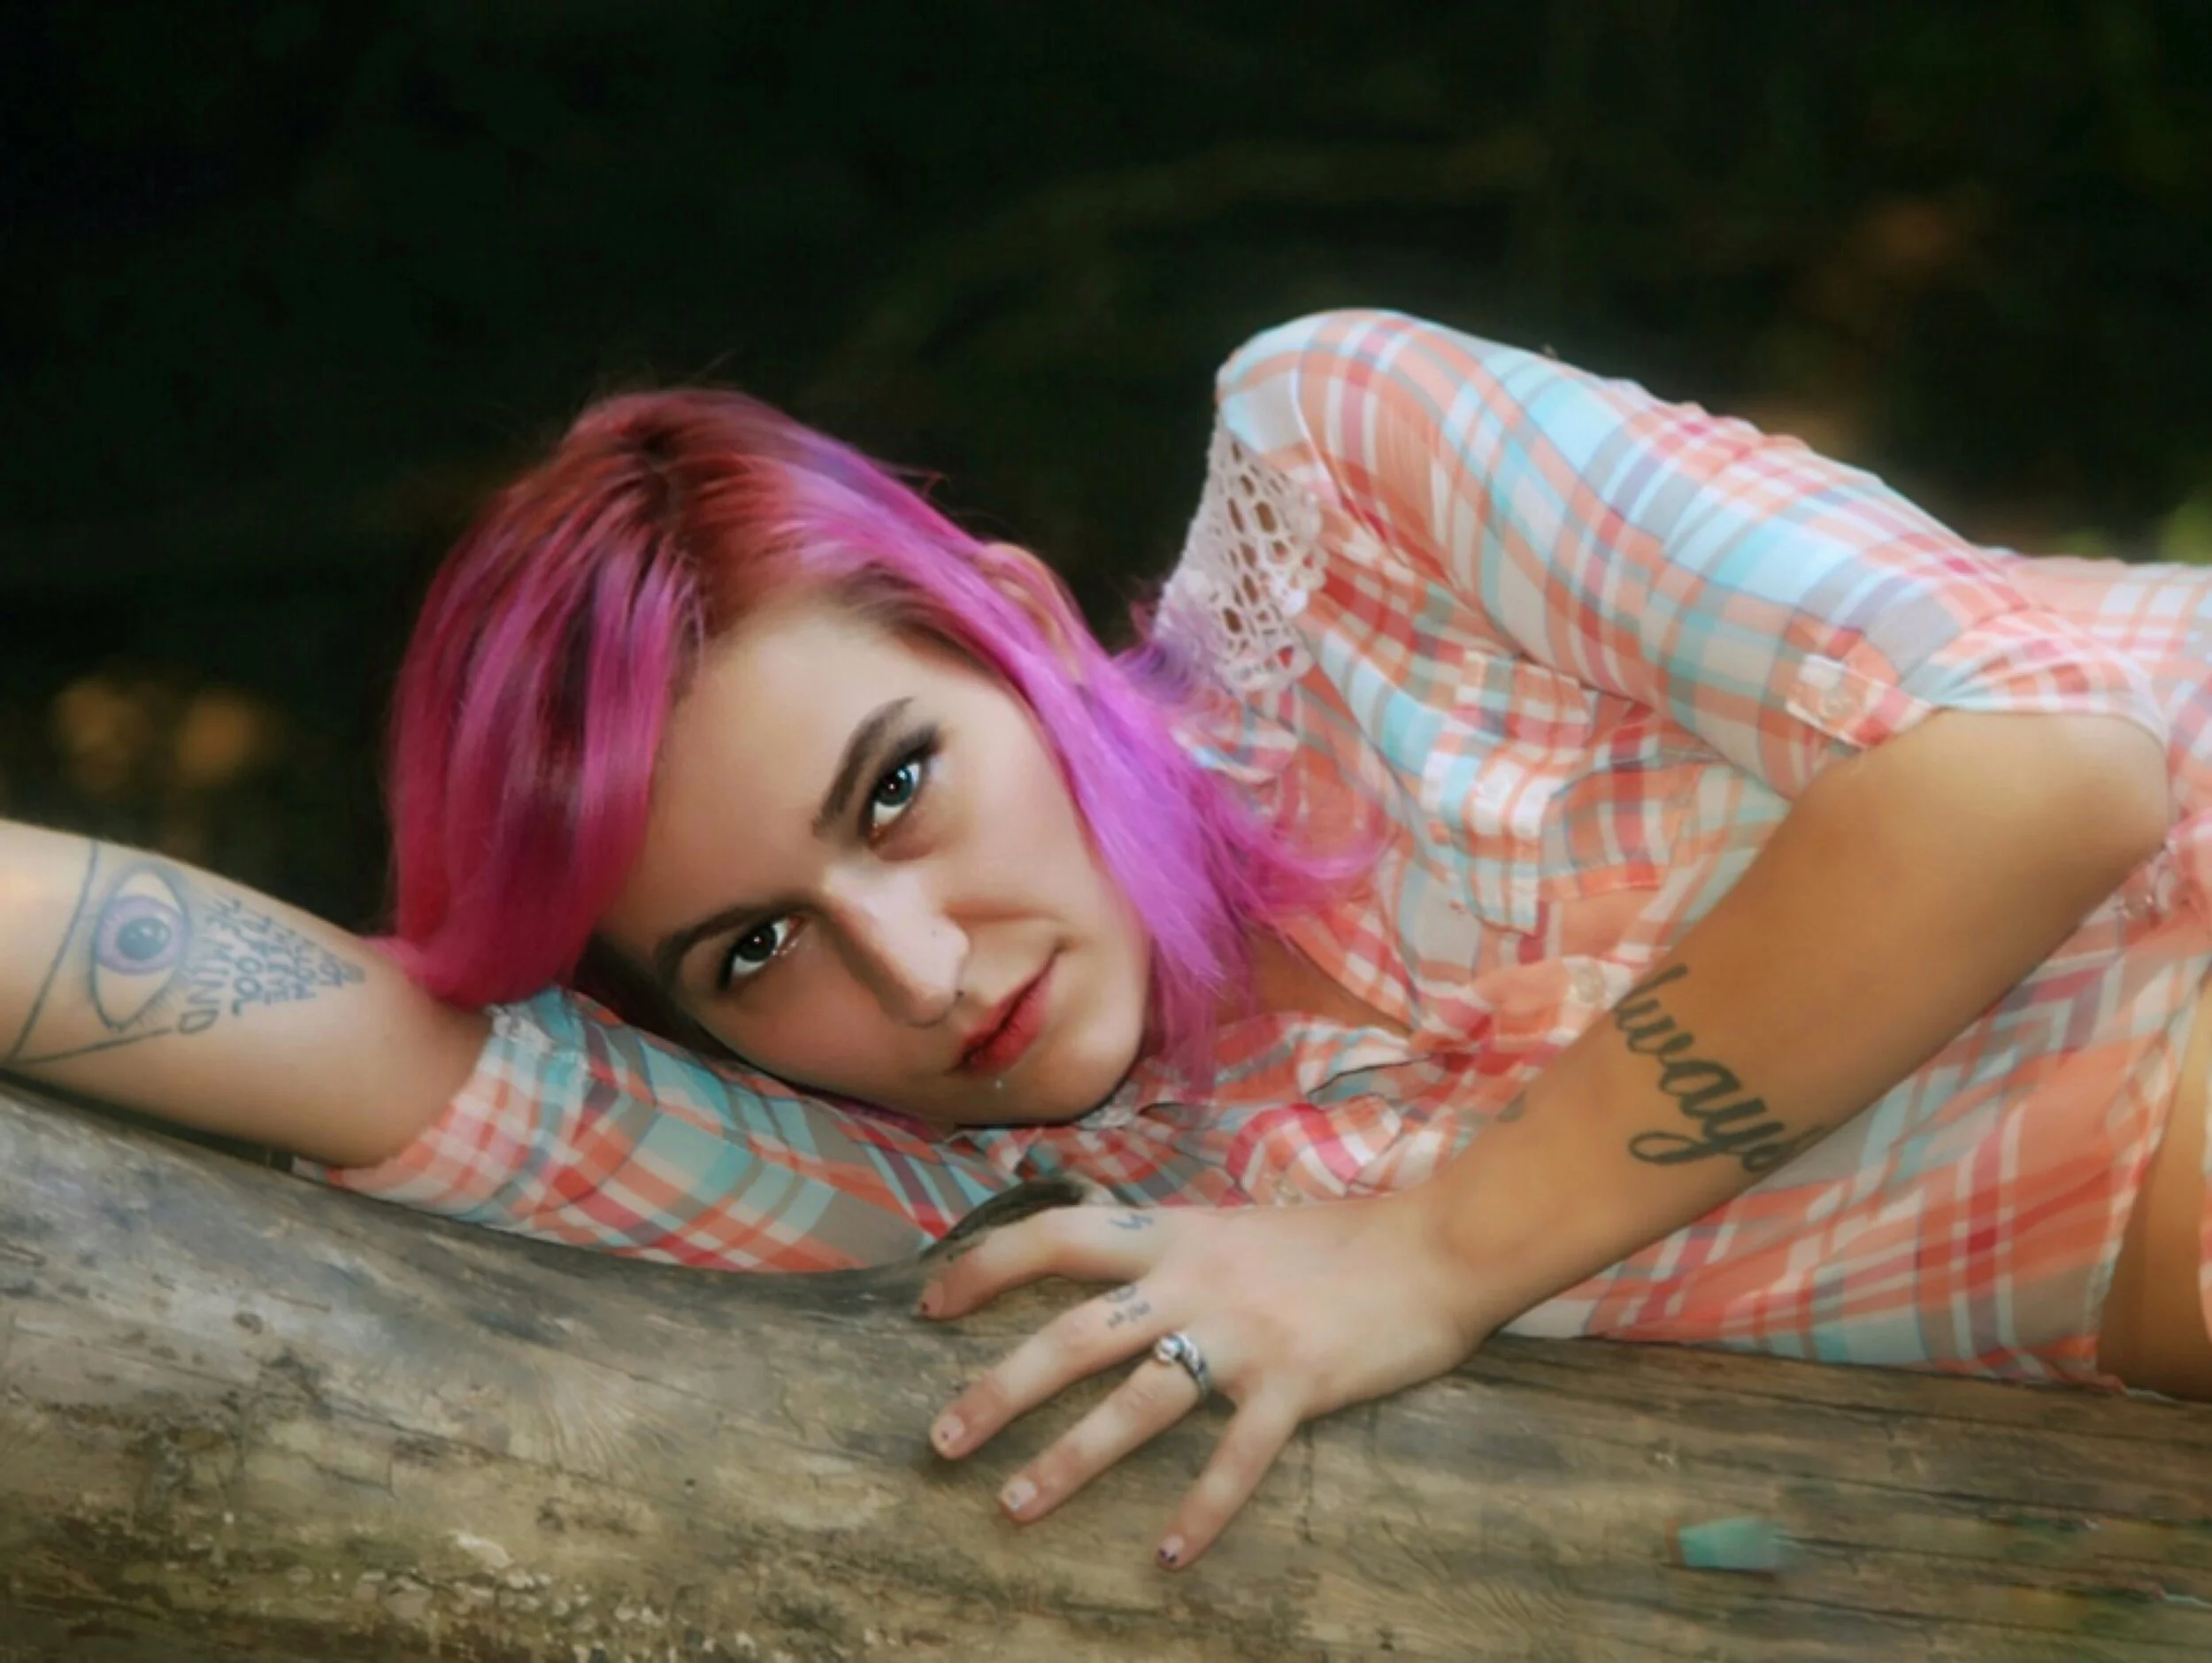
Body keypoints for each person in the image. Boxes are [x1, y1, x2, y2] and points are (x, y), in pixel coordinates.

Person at [4, 309, 2209, 1572]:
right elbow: (376, 1048)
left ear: (1023, 624)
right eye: (750, 947)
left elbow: (2035, 759)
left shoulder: (1351, 494)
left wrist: (1424, 1257)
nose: (915, 972)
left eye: (893, 787)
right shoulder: (1023, 1204)